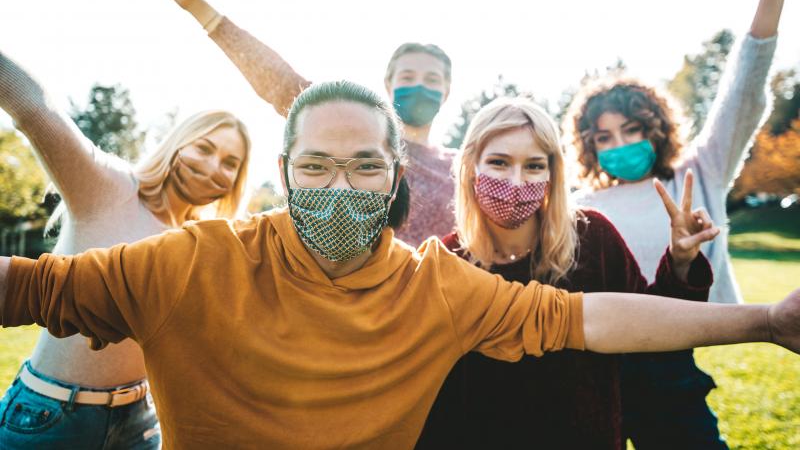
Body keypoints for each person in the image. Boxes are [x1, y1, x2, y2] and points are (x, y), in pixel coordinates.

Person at [1, 79, 799, 449]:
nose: (339, 187)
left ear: (395, 178)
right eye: (315, 167)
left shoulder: (435, 285)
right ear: (284, 172)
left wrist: (763, 318)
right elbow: (34, 287)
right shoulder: (195, 262)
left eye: (364, 167)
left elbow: (590, 319)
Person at [562, 0, 800, 447]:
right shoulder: (578, 205)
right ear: (589, 145)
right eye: (605, 137)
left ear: (656, 128)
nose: (620, 143)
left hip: (670, 366)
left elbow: (746, 83)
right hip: (595, 366)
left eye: (631, 129)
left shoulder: (699, 172)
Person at [417, 96, 717, 450]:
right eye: (499, 162)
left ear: (552, 173)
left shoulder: (592, 237)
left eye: (533, 166)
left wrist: (681, 261)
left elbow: (650, 330)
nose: (516, 182)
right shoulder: (447, 260)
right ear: (470, 167)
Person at [0, 52, 251, 449]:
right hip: (51, 417)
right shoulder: (110, 187)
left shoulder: (203, 243)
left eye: (230, 162)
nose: (212, 167)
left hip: (141, 424)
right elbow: (34, 108)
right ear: (178, 143)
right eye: (204, 148)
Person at [146, 0, 455, 246]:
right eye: (408, 76)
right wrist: (197, 6)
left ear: (447, 90)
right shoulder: (349, 130)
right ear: (389, 84)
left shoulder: (459, 169)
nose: (419, 86)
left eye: (432, 78)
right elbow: (276, 78)